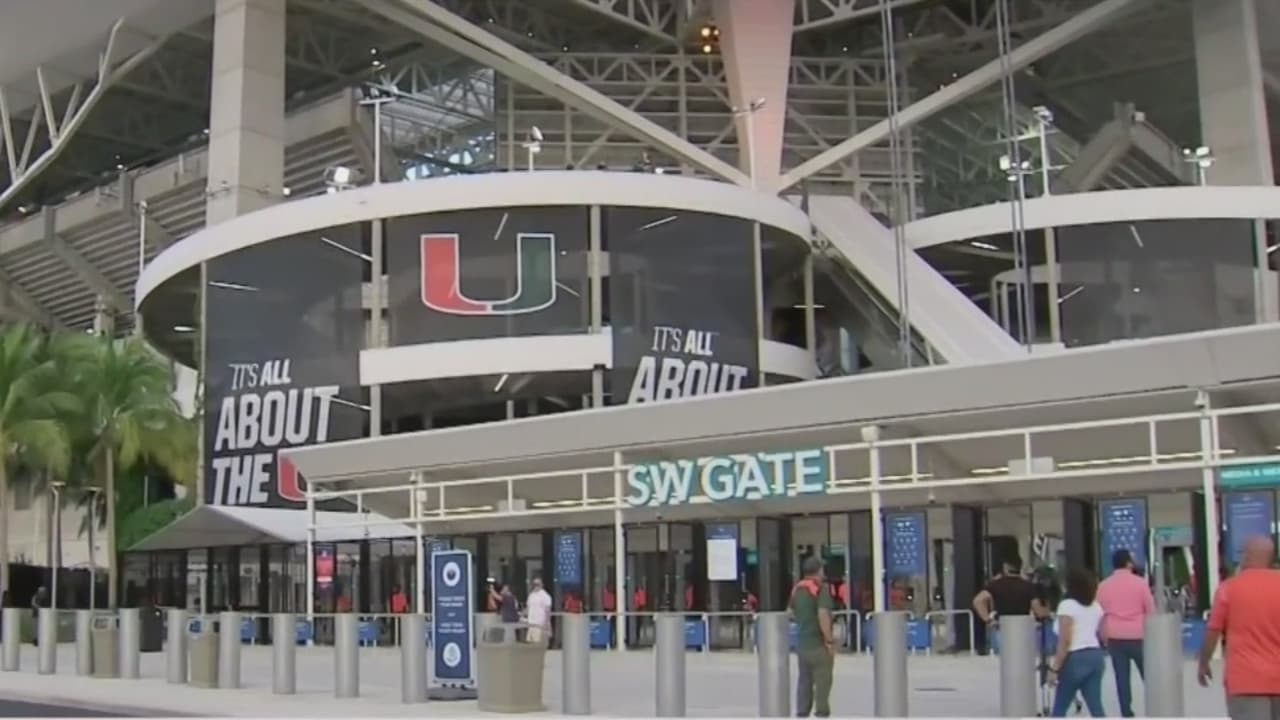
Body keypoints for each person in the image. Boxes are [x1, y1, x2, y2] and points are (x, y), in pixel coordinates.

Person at [1198, 536, 1280, 720]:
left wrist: (1204, 662)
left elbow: (1213, 630)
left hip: (1245, 680)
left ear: (1248, 556)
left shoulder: (1229, 588)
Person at [1097, 548, 1156, 717]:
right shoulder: (1140, 583)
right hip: (1138, 636)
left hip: (1115, 637)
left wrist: (1103, 636)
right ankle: (1155, 706)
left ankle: (1126, 712)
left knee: (1121, 677)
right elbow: (1151, 610)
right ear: (1128, 563)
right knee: (1148, 674)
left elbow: (1098, 613)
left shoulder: (1103, 586)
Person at [1048, 567, 1106, 717]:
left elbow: (1065, 640)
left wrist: (1054, 669)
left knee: (1060, 707)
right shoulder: (1096, 606)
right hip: (1095, 655)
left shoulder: (1067, 606)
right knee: (1096, 707)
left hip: (1075, 658)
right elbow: (1102, 634)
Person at [972, 555, 1047, 652]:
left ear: (1005, 567)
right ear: (1020, 567)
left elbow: (978, 600)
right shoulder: (1028, 586)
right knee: (1021, 660)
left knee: (1001, 661)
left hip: (1002, 627)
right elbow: (1038, 611)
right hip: (1022, 628)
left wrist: (988, 620)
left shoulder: (996, 584)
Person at [790, 556, 835, 718]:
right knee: (823, 682)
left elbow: (791, 613)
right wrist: (829, 640)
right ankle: (822, 713)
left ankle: (802, 713)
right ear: (818, 571)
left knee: (804, 682)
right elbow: (823, 614)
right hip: (818, 644)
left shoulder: (797, 589)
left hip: (803, 645)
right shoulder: (821, 589)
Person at [525, 577, 553, 645]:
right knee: (531, 645)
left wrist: (547, 624)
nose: (536, 586)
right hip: (531, 624)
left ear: (541, 585)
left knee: (539, 645)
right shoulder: (531, 595)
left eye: (538, 584)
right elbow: (528, 608)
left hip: (540, 624)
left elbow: (548, 611)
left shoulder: (545, 596)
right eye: (534, 584)